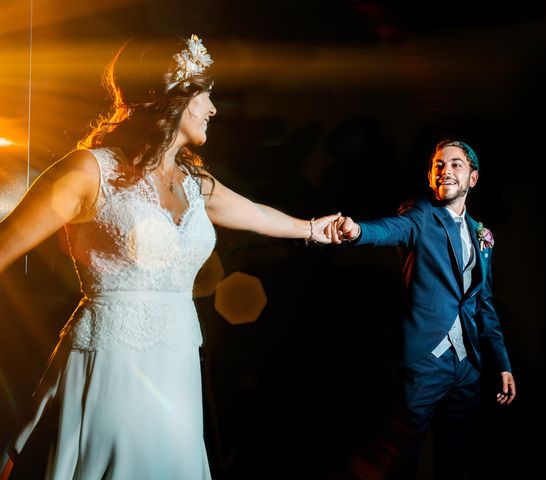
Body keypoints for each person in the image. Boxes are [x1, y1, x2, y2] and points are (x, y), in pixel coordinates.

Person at [0, 34, 339, 480]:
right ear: (172, 95)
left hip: (177, 371)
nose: (214, 109)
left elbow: (255, 214)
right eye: (206, 94)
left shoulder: (195, 183)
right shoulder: (88, 171)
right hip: (111, 365)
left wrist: (317, 229)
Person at [332, 139, 516, 479]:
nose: (446, 170)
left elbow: (483, 304)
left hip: (468, 367)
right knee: (404, 456)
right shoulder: (420, 214)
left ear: (472, 178)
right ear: (431, 177)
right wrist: (357, 231)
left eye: (455, 164)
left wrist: (502, 363)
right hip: (425, 358)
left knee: (455, 456)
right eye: (438, 166)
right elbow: (391, 229)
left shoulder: (482, 235)